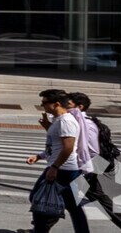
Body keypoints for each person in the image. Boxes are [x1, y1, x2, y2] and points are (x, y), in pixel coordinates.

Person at [68, 91, 121, 233]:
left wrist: (83, 172)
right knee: (70, 201)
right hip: (82, 169)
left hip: (85, 169)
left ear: (79, 107)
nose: (65, 107)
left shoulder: (87, 124)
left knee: (76, 201)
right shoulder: (75, 122)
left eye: (68, 104)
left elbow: (94, 152)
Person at [27, 89, 90, 233]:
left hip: (64, 169)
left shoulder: (66, 121)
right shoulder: (58, 120)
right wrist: (39, 156)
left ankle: (40, 230)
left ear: (56, 104)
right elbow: (56, 144)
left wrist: (54, 167)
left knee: (38, 198)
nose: (42, 105)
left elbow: (68, 147)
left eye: (44, 103)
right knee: (73, 206)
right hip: (64, 168)